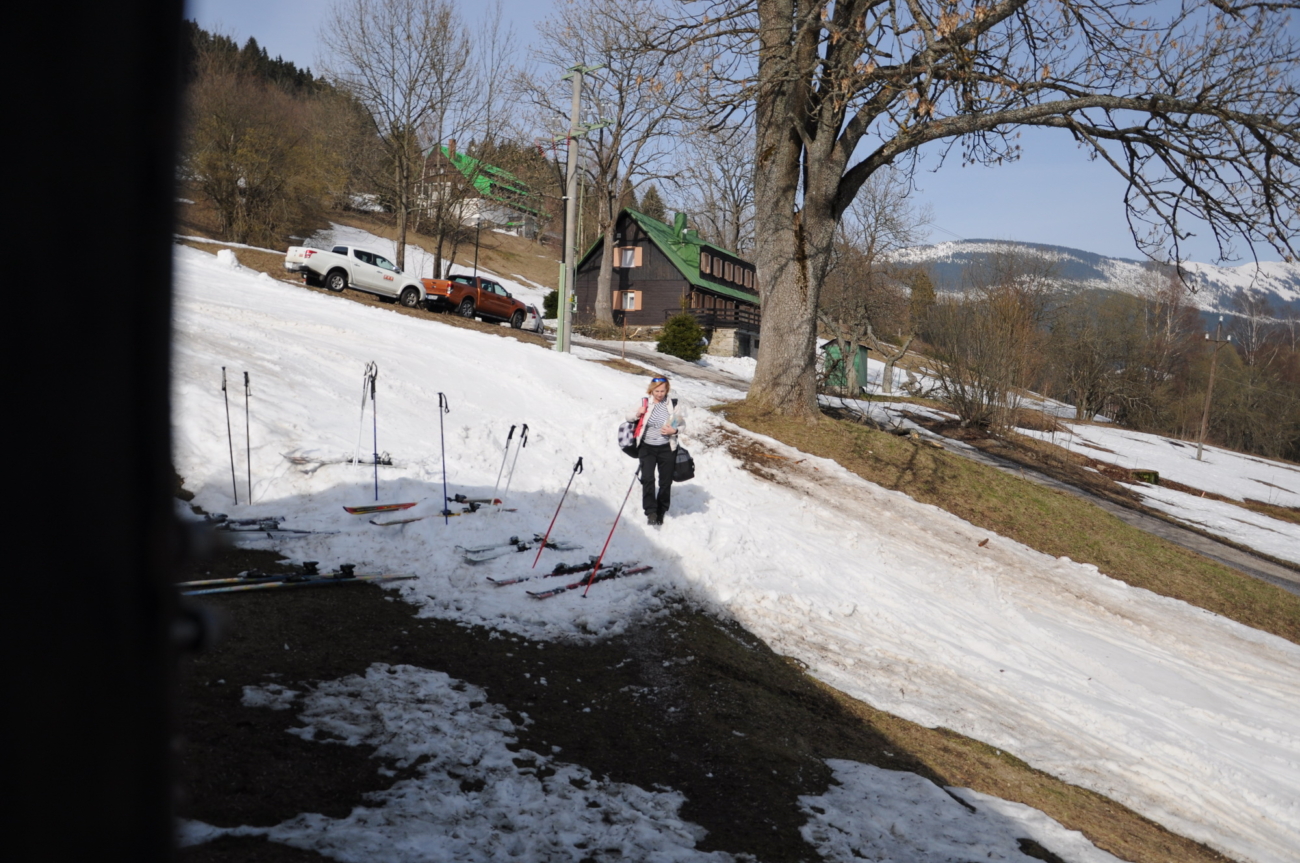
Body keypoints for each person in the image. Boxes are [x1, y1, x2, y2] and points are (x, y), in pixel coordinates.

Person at [627, 375, 686, 525]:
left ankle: (661, 510)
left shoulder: (673, 404)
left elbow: (682, 424)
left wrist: (674, 431)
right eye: (657, 391)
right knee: (648, 479)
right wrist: (638, 413)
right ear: (651, 390)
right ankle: (650, 511)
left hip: (667, 448)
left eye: (662, 391)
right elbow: (628, 417)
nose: (659, 394)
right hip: (647, 447)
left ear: (667, 390)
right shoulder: (644, 402)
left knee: (665, 481)